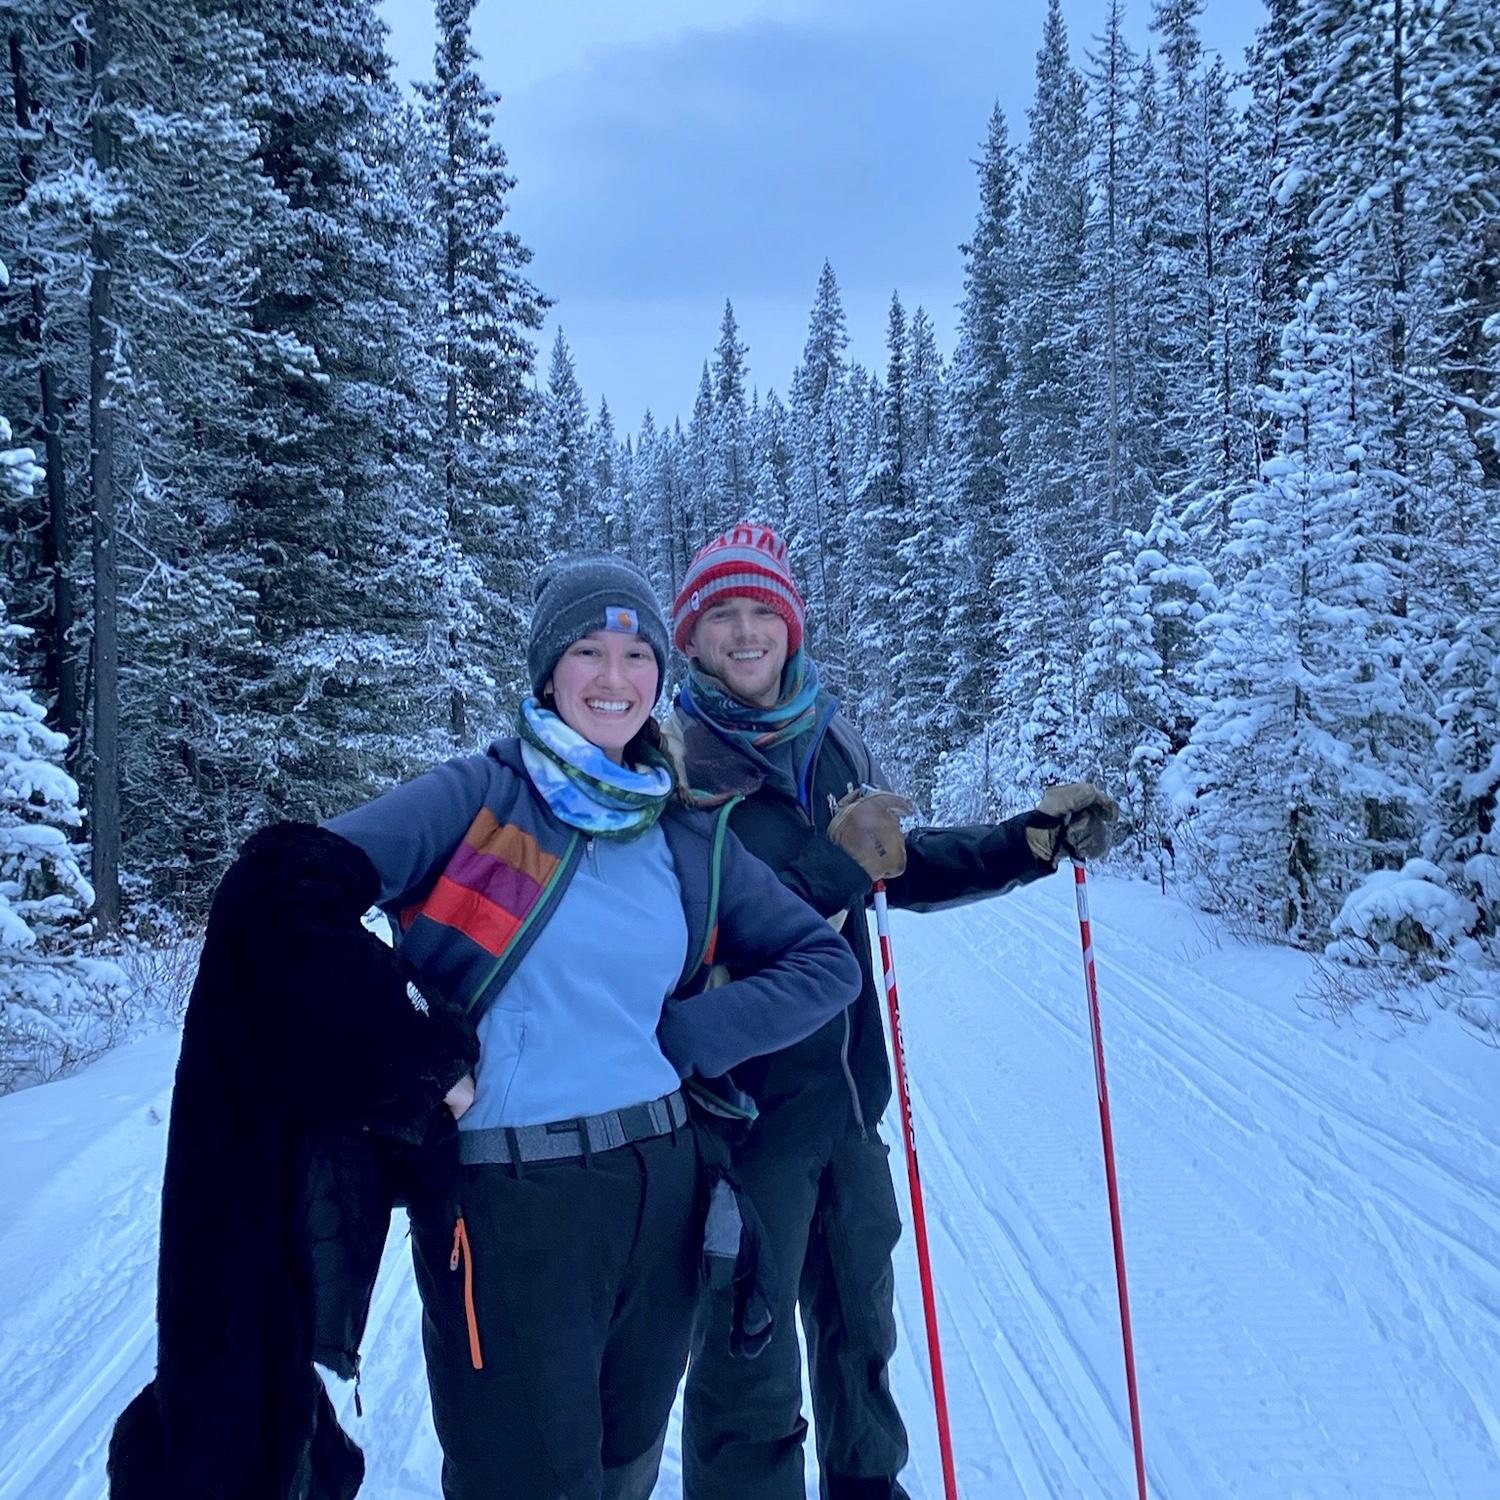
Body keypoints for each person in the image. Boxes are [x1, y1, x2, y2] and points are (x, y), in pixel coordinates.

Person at [321, 553, 862, 1500]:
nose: (615, 677)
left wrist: (693, 1037)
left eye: (636, 654)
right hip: (510, 1197)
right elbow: (289, 893)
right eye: (587, 651)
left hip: (661, 1185)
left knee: (624, 1467)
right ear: (546, 670)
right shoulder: (481, 797)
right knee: (519, 1478)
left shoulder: (678, 828)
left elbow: (827, 965)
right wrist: (413, 1052)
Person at [666, 521, 1118, 1500]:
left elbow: (889, 868)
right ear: (690, 636)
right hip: (740, 1123)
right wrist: (831, 867)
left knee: (862, 1334)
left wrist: (1024, 844)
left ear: (791, 626)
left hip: (845, 1105)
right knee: (746, 1359)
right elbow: (702, 932)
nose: (746, 633)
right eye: (722, 614)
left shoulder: (829, 742)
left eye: (763, 611)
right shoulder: (677, 772)